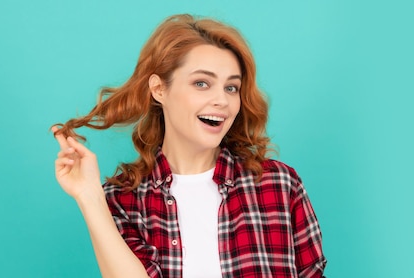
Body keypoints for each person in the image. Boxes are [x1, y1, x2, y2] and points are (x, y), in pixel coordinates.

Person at [51, 14, 326, 278]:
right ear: (159, 89)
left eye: (231, 88)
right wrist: (90, 197)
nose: (221, 100)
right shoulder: (123, 200)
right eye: (202, 83)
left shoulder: (279, 184)